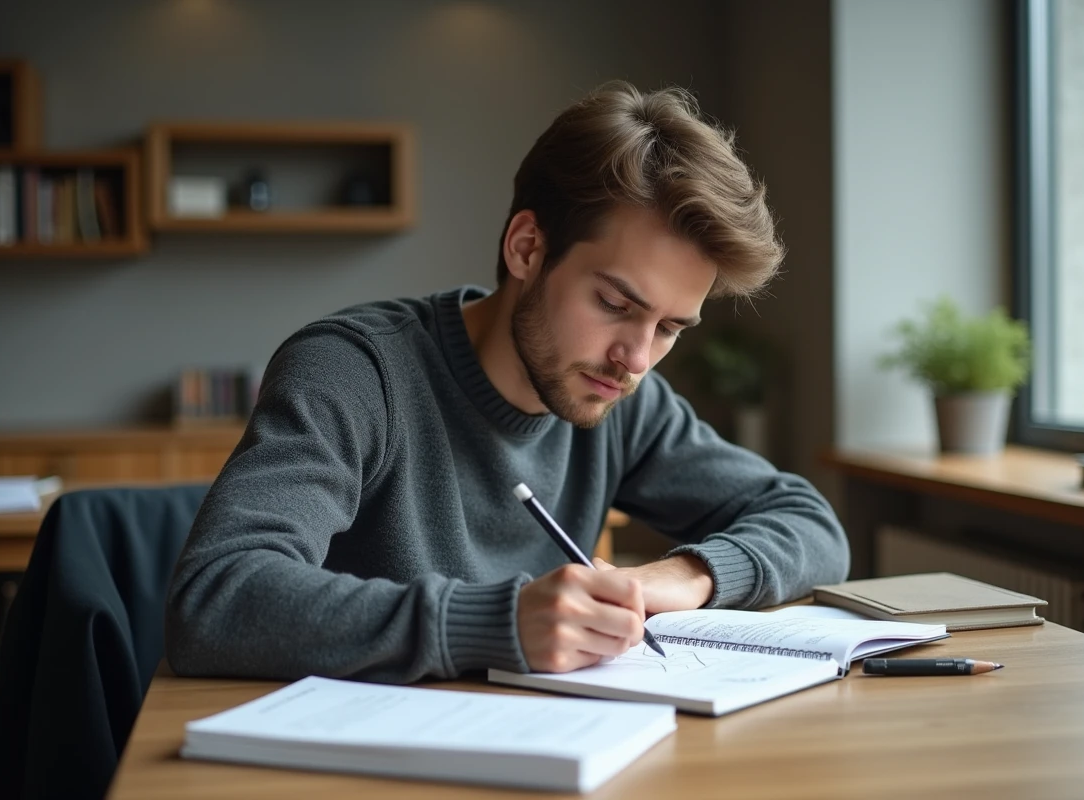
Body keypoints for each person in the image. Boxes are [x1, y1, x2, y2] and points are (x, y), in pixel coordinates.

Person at [165, 81, 850, 683]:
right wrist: (489, 622)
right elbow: (216, 597)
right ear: (526, 247)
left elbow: (811, 524)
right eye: (616, 305)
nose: (636, 358)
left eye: (670, 328)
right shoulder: (355, 372)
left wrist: (681, 578)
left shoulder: (622, 403)